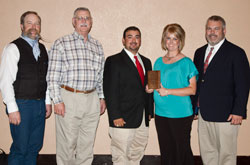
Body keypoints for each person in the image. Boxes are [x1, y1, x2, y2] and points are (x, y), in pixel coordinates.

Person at [47, 7, 106, 165]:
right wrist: (57, 100)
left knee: (86, 144)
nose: (84, 21)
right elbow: (52, 76)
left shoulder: (97, 46)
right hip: (68, 98)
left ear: (91, 22)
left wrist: (101, 97)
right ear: (73, 22)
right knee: (67, 144)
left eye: (87, 18)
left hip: (92, 99)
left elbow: (100, 76)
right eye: (80, 18)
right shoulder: (61, 43)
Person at [193, 15, 250, 165]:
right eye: (209, 28)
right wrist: (194, 108)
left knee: (226, 154)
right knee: (208, 152)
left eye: (216, 29)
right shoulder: (199, 52)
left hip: (227, 115)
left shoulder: (236, 53)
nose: (212, 32)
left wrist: (239, 110)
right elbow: (198, 82)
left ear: (224, 30)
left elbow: (243, 84)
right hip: (203, 114)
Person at [0, 11, 52, 165]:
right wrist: (12, 108)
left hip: (39, 104)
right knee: (20, 148)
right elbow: (5, 80)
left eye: (37, 23)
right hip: (21, 105)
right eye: (29, 23)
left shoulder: (43, 50)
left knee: (34, 147)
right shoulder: (13, 48)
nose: (33, 27)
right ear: (22, 26)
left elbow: (46, 78)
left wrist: (47, 101)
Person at [146, 23, 198, 165]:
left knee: (181, 151)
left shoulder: (186, 62)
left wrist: (168, 91)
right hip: (161, 114)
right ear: (164, 40)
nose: (171, 42)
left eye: (175, 38)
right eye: (168, 38)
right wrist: (149, 88)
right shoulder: (158, 61)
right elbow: (154, 84)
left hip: (180, 114)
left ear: (180, 41)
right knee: (166, 151)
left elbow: (192, 89)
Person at [103, 26, 154, 165]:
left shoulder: (147, 61)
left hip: (142, 119)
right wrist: (115, 115)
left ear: (140, 40)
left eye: (137, 37)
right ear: (123, 40)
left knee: (137, 152)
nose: (134, 40)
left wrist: (149, 111)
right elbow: (110, 90)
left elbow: (148, 89)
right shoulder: (113, 61)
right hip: (123, 117)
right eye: (130, 37)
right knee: (121, 154)